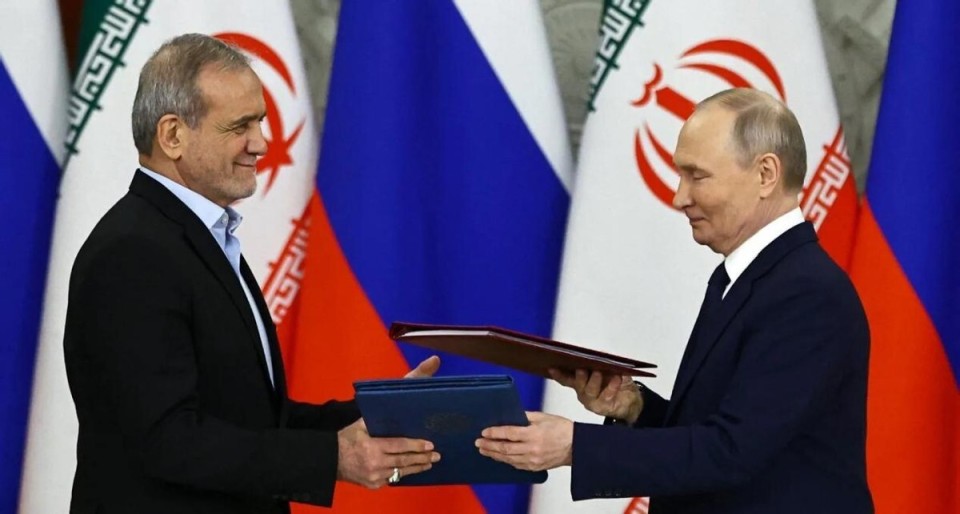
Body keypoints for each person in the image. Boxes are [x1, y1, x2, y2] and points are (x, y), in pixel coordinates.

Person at [63, 33, 439, 514]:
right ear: (173, 136)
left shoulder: (196, 237)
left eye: (259, 121)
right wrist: (334, 459)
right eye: (240, 126)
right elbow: (167, 440)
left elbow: (250, 418)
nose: (262, 143)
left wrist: (378, 414)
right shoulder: (132, 253)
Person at [477, 88, 873, 513]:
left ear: (765, 174)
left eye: (697, 176)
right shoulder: (746, 278)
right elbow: (718, 432)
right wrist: (635, 407)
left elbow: (731, 451)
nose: (679, 197)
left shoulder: (807, 293)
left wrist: (575, 445)